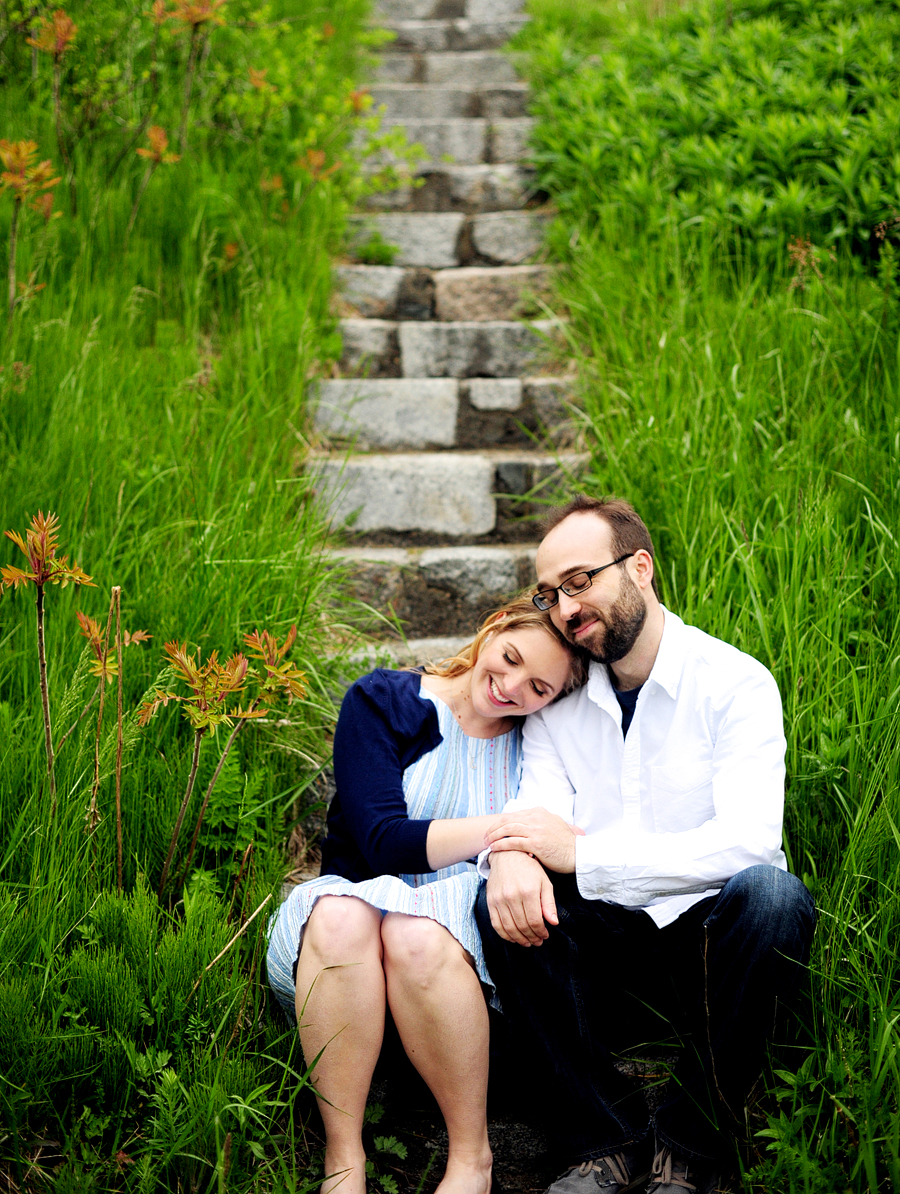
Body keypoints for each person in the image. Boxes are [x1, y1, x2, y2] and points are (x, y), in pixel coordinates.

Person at [475, 495, 816, 1194]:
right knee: (503, 902)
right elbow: (535, 811)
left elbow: (749, 843)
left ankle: (693, 1144)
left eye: (579, 582)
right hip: (608, 955)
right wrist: (508, 853)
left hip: (713, 955)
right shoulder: (558, 704)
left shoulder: (735, 684)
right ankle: (605, 1137)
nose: (565, 609)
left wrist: (589, 858)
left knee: (775, 898)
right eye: (549, 596)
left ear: (640, 567)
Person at [267, 595, 588, 1194]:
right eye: (511, 657)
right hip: (356, 930)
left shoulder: (541, 746)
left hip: (456, 948)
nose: (512, 686)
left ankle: (472, 1159)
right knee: (341, 919)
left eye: (539, 687)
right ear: (492, 628)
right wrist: (507, 829)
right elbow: (384, 841)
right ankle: (344, 1158)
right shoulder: (383, 701)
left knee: (414, 933)